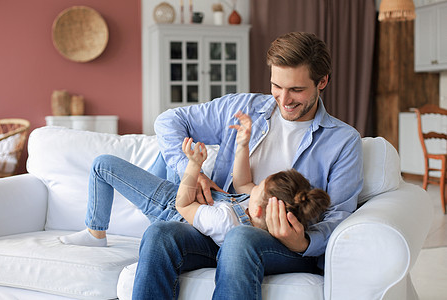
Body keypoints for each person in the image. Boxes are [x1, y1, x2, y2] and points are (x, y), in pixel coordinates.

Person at [132, 31, 363, 300]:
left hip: (284, 245)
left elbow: (339, 216)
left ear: (322, 81)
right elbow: (168, 121)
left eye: (296, 90)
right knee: (160, 233)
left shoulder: (343, 141)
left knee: (240, 238)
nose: (284, 99)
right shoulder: (242, 108)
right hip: (223, 224)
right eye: (277, 86)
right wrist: (191, 171)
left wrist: (301, 242)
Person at [59, 114, 330, 248]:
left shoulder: (227, 221)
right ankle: (138, 192)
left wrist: (195, 166)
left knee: (102, 165)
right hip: (189, 198)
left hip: (170, 206)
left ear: (259, 208)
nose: (252, 187)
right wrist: (243, 143)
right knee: (170, 152)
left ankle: (96, 233)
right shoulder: (258, 210)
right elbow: (242, 181)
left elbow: (182, 204)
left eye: (258, 188)